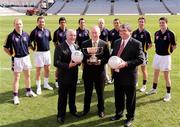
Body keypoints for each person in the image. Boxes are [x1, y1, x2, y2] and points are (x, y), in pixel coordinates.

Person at [110, 24, 144, 127]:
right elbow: (113, 56)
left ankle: (130, 117)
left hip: (129, 76)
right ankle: (118, 114)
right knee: (118, 96)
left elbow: (140, 59)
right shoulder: (116, 42)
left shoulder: (136, 43)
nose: (122, 33)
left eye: (124, 31)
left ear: (130, 32)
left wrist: (126, 63)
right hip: (117, 75)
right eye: (120, 31)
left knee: (130, 98)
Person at [3, 18, 37, 105]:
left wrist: (30, 50)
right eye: (17, 24)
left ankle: (28, 91)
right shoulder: (11, 36)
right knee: (16, 78)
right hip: (17, 59)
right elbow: (5, 48)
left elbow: (29, 45)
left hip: (26, 58)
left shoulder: (26, 34)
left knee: (28, 75)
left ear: (22, 25)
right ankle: (15, 96)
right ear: (14, 25)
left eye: (20, 24)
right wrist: (12, 55)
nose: (19, 25)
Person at [81, 26, 110, 118]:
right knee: (88, 93)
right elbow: (82, 57)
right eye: (92, 32)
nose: (94, 34)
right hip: (88, 73)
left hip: (100, 73)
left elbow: (107, 57)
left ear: (99, 33)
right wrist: (87, 61)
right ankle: (86, 110)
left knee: (100, 93)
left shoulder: (104, 44)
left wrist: (101, 61)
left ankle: (101, 110)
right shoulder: (84, 43)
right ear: (90, 33)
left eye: (96, 32)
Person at [146, 17, 176, 102]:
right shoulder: (156, 33)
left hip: (166, 57)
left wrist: (169, 53)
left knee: (166, 76)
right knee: (156, 73)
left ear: (166, 23)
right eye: (160, 23)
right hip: (157, 56)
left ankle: (168, 94)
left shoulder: (171, 33)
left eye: (163, 22)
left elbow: (174, 46)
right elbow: (156, 43)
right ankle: (154, 89)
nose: (161, 24)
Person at [54, 29, 80, 124]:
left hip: (74, 76)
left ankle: (73, 111)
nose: (73, 37)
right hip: (64, 77)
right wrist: (68, 65)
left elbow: (78, 59)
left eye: (74, 35)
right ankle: (61, 115)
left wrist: (79, 61)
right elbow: (56, 62)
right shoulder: (60, 47)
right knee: (63, 97)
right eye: (71, 35)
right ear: (66, 36)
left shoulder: (77, 46)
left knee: (72, 95)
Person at [30, 16, 53, 95]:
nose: (42, 23)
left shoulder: (47, 31)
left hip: (47, 52)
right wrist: (33, 49)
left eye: (43, 21)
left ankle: (46, 84)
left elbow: (49, 40)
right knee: (38, 71)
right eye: (40, 21)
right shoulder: (34, 32)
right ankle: (38, 87)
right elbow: (29, 42)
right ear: (37, 22)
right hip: (38, 53)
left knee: (47, 69)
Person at [132, 17, 152, 92]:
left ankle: (144, 85)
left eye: (142, 22)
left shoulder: (147, 33)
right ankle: (136, 81)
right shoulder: (134, 32)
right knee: (135, 69)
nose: (141, 23)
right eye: (140, 22)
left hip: (143, 54)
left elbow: (150, 44)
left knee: (144, 70)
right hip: (134, 54)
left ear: (144, 23)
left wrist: (144, 50)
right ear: (138, 22)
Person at [53, 17, 67, 88]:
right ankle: (56, 81)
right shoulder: (57, 32)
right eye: (61, 22)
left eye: (64, 22)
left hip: (67, 52)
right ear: (59, 23)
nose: (63, 24)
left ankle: (65, 79)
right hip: (60, 52)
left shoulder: (68, 31)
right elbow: (55, 42)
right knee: (58, 67)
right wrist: (58, 49)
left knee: (67, 66)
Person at [98, 18, 111, 84]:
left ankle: (107, 77)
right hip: (98, 50)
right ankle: (100, 77)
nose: (101, 24)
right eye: (100, 23)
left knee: (105, 63)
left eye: (102, 23)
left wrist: (108, 45)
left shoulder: (107, 31)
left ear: (104, 23)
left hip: (105, 50)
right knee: (98, 63)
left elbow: (110, 40)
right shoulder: (96, 31)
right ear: (98, 24)